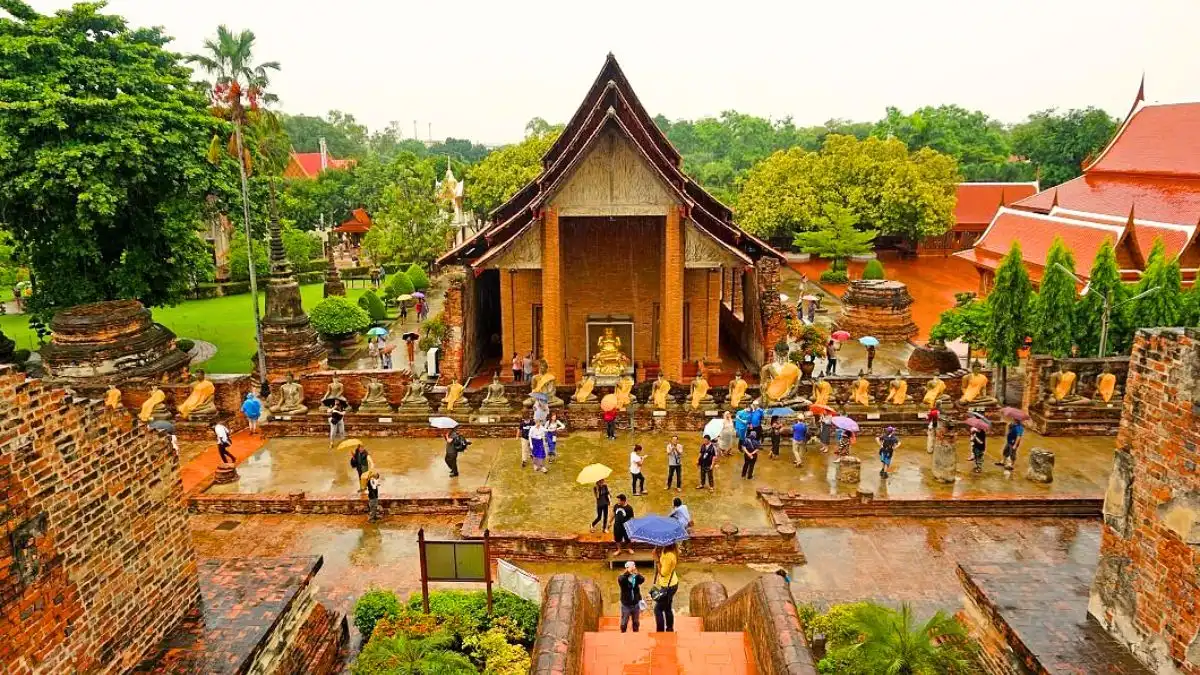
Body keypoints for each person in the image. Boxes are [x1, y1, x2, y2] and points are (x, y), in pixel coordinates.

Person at [653, 544, 680, 632]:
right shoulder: (666, 550)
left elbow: (663, 573)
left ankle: (660, 632)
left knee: (658, 609)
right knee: (667, 607)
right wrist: (657, 553)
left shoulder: (669, 556)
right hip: (670, 583)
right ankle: (669, 628)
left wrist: (657, 561)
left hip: (668, 586)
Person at [618, 561, 645, 633]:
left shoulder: (635, 577)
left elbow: (642, 580)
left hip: (635, 603)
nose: (633, 568)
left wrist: (637, 574)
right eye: (632, 566)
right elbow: (621, 580)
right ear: (627, 568)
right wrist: (627, 573)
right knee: (624, 622)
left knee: (636, 622)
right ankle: (623, 633)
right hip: (626, 604)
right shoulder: (622, 578)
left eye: (634, 566)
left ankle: (635, 634)